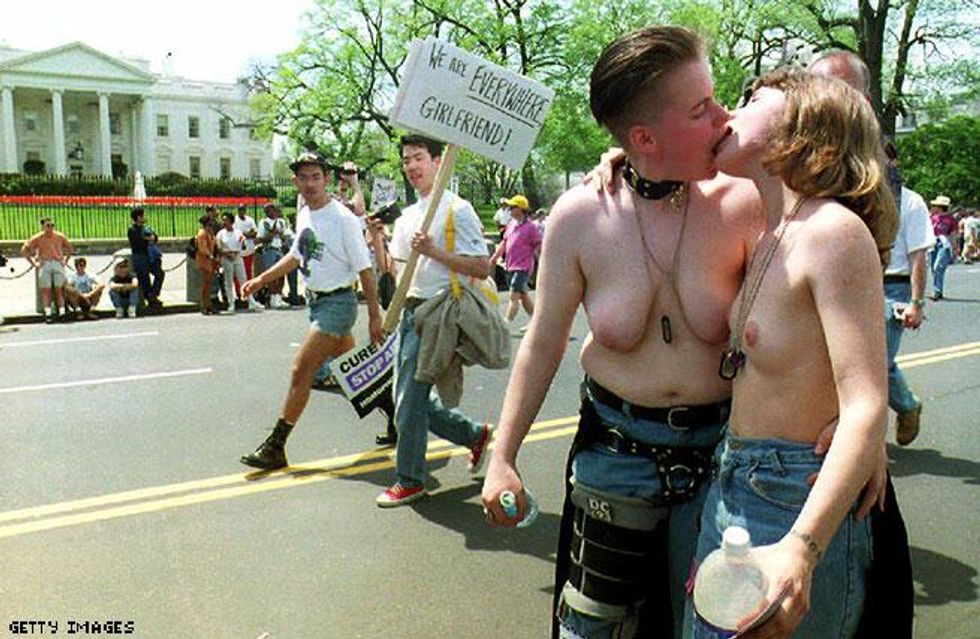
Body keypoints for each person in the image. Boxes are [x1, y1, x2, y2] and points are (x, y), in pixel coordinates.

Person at [481, 26, 761, 639]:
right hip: (615, 455)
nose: (724, 115)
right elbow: (544, 341)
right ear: (642, 138)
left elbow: (814, 310)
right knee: (594, 629)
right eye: (702, 108)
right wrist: (503, 457)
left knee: (717, 627)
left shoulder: (747, 200)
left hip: (726, 457)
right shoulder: (581, 216)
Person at [686, 68, 897, 638]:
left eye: (751, 99)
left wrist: (802, 549)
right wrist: (621, 162)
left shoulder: (833, 231)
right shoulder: (771, 230)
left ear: (804, 124)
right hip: (732, 482)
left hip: (791, 498)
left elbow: (866, 404)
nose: (728, 111)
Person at [239, 150, 384, 470]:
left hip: (340, 304)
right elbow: (296, 256)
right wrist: (260, 279)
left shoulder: (343, 218)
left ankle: (276, 446)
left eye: (315, 176)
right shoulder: (304, 214)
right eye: (303, 178)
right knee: (355, 377)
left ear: (327, 179)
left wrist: (375, 316)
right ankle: (398, 416)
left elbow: (365, 269)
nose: (309, 183)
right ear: (295, 181)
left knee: (301, 370)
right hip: (317, 303)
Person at [371, 134, 494, 508]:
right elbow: (395, 269)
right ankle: (474, 435)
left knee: (408, 401)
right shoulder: (410, 214)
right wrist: (376, 237)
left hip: (440, 313)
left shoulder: (458, 209)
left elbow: (482, 266)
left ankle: (409, 479)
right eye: (406, 160)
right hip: (410, 312)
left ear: (438, 161)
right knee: (407, 398)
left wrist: (434, 250)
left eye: (419, 158)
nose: (411, 166)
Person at [881, 141, 933, 447]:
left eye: (882, 158)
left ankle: (907, 405)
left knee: (879, 364)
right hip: (861, 287)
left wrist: (916, 302)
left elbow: (918, 258)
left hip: (894, 287)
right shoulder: (857, 198)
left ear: (894, 163)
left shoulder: (911, 203)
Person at [489, 194, 542, 327]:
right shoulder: (511, 224)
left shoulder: (531, 227)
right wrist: (495, 257)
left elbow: (539, 246)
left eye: (513, 207)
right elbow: (504, 242)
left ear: (520, 209)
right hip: (510, 265)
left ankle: (505, 323)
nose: (510, 209)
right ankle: (537, 322)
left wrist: (543, 263)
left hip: (523, 267)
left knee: (514, 295)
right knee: (523, 296)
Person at [21, 217, 74, 323]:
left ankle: (62, 312)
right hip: (45, 263)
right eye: (48, 226)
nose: (50, 228)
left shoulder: (59, 236)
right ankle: (48, 313)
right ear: (43, 227)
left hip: (57, 262)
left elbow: (69, 247)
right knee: (46, 290)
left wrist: (65, 260)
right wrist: (34, 263)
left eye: (52, 225)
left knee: (59, 289)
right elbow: (24, 249)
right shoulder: (38, 238)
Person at [216, 212, 261, 313]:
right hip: (227, 257)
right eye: (223, 220)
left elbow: (242, 243)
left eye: (226, 220)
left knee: (243, 280)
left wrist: (243, 244)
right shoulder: (221, 233)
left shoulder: (238, 232)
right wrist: (227, 254)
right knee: (228, 281)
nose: (224, 222)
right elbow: (218, 248)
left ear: (231, 221)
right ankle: (231, 303)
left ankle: (251, 301)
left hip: (237, 257)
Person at [127, 207, 164, 309]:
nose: (145, 217)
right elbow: (138, 243)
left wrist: (151, 239)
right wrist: (149, 240)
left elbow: (155, 238)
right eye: (143, 215)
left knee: (160, 274)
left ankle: (153, 295)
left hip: (151, 256)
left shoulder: (146, 228)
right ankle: (150, 299)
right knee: (144, 279)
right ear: (138, 217)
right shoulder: (132, 230)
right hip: (140, 257)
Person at [257, 203, 291, 309]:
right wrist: (272, 234)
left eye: (270, 210)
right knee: (271, 274)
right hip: (269, 250)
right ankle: (272, 297)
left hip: (279, 249)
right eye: (266, 211)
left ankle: (278, 296)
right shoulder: (264, 222)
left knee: (281, 274)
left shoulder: (281, 222)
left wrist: (280, 234)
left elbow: (285, 236)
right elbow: (260, 238)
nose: (268, 212)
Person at [928, 195, 957, 300]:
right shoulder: (931, 218)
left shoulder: (951, 220)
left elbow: (953, 234)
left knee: (938, 267)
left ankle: (937, 291)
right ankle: (938, 289)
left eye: (935, 205)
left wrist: (955, 249)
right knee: (933, 268)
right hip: (932, 243)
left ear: (940, 207)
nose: (932, 207)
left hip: (944, 244)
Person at [194, 215, 219, 315]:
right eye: (211, 221)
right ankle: (204, 305)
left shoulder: (209, 232)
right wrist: (210, 255)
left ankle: (208, 305)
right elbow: (202, 248)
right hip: (204, 261)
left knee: (208, 284)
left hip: (209, 262)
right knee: (205, 285)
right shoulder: (202, 233)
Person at [234, 204, 260, 295]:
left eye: (243, 209)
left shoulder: (250, 220)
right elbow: (236, 235)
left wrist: (246, 235)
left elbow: (255, 233)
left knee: (248, 271)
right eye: (240, 209)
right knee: (238, 273)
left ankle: (248, 290)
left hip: (249, 250)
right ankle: (239, 291)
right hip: (239, 251)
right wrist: (246, 234)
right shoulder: (235, 221)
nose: (242, 211)